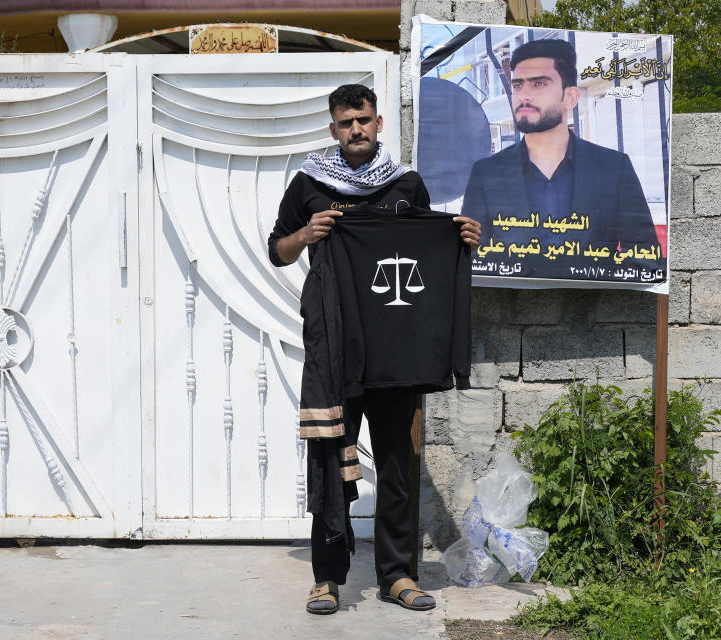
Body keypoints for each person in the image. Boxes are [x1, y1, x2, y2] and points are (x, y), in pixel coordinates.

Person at [267, 84, 481, 615]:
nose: (355, 130)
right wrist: (307, 235)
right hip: (338, 343)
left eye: (362, 120)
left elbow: (428, 251)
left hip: (396, 348)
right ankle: (327, 577)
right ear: (333, 128)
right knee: (329, 458)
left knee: (396, 464)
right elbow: (277, 249)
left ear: (379, 123)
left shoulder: (405, 183)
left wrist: (461, 239)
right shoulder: (310, 184)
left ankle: (397, 575)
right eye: (345, 122)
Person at [461, 38, 659, 261]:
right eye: (518, 85)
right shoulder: (486, 174)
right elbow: (472, 259)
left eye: (539, 84)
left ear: (570, 97)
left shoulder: (614, 169)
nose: (524, 95)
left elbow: (646, 258)